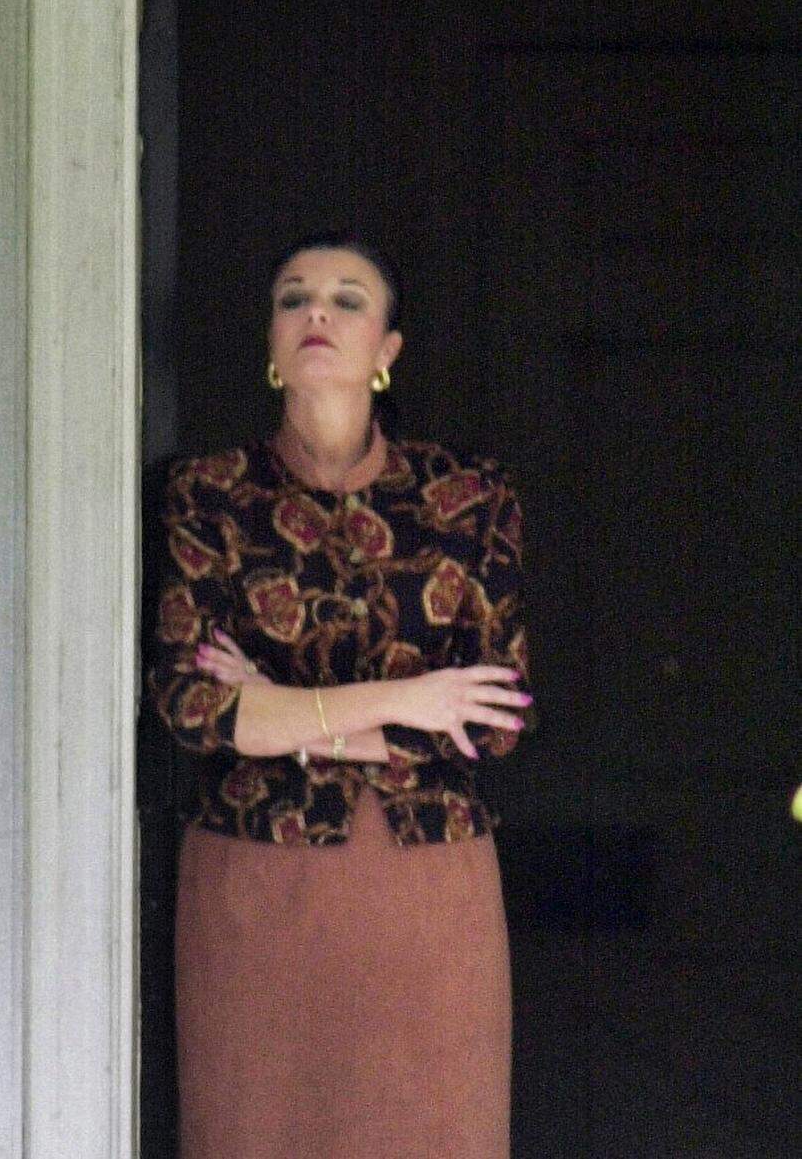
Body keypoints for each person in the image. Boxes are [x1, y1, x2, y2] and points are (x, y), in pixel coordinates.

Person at [147, 231, 533, 1159]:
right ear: (272, 347)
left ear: (388, 350)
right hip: (255, 892)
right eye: (293, 297)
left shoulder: (471, 497)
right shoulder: (209, 495)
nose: (316, 313)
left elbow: (491, 724)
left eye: (347, 299)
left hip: (425, 894)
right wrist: (411, 696)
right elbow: (192, 708)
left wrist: (283, 715)